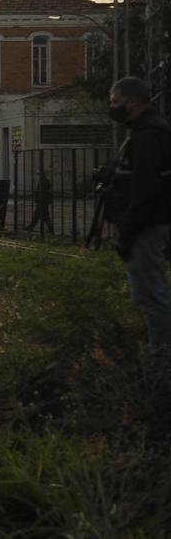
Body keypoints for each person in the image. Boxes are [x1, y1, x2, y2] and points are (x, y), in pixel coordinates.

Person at [107, 76, 171, 381]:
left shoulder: (147, 136)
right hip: (153, 223)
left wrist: (127, 232)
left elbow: (145, 191)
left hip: (148, 227)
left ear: (131, 101)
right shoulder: (147, 132)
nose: (112, 106)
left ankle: (161, 358)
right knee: (150, 293)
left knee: (151, 295)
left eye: (114, 101)